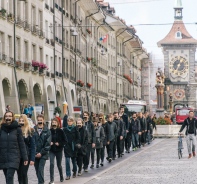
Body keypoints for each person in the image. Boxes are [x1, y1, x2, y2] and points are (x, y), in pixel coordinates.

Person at [0, 111, 28, 184]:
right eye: (6, 116)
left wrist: (25, 157)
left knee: (10, 176)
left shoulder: (17, 129)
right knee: (7, 177)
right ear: (4, 117)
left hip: (14, 156)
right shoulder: (1, 129)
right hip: (3, 157)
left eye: (10, 116)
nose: (8, 118)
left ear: (12, 118)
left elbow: (21, 144)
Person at [17, 114, 36, 184]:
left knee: (24, 173)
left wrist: (32, 159)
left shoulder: (30, 131)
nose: (21, 122)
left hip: (26, 155)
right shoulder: (16, 130)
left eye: (23, 121)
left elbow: (33, 146)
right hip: (18, 155)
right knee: (19, 174)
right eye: (20, 121)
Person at [34, 114, 51, 184]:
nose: (39, 121)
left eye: (41, 120)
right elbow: (32, 142)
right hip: (35, 154)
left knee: (40, 169)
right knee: (37, 170)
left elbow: (48, 143)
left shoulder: (47, 131)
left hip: (43, 154)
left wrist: (41, 153)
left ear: (43, 120)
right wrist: (35, 153)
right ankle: (41, 182)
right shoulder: (33, 129)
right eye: (38, 120)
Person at [49, 118, 67, 184]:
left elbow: (65, 141)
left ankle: (61, 176)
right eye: (53, 122)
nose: (54, 123)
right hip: (51, 150)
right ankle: (51, 179)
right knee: (51, 164)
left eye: (55, 122)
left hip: (59, 150)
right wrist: (49, 143)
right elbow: (46, 140)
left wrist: (59, 143)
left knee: (59, 164)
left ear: (57, 123)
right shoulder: (49, 131)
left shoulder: (60, 131)